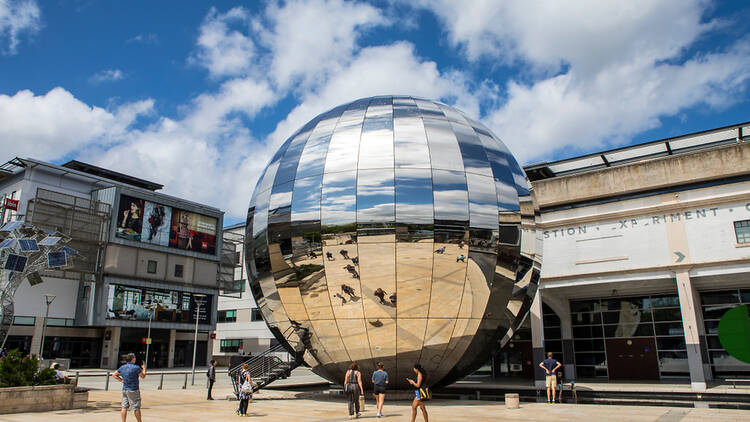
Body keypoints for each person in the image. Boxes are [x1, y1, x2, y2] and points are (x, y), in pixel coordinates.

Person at [112, 353, 147, 422]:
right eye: (135, 358)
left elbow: (114, 374)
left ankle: (123, 421)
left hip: (125, 389)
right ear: (133, 359)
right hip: (133, 390)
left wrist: (121, 380)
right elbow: (143, 376)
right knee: (136, 407)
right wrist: (144, 369)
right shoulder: (136, 368)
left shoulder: (122, 367)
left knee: (124, 406)